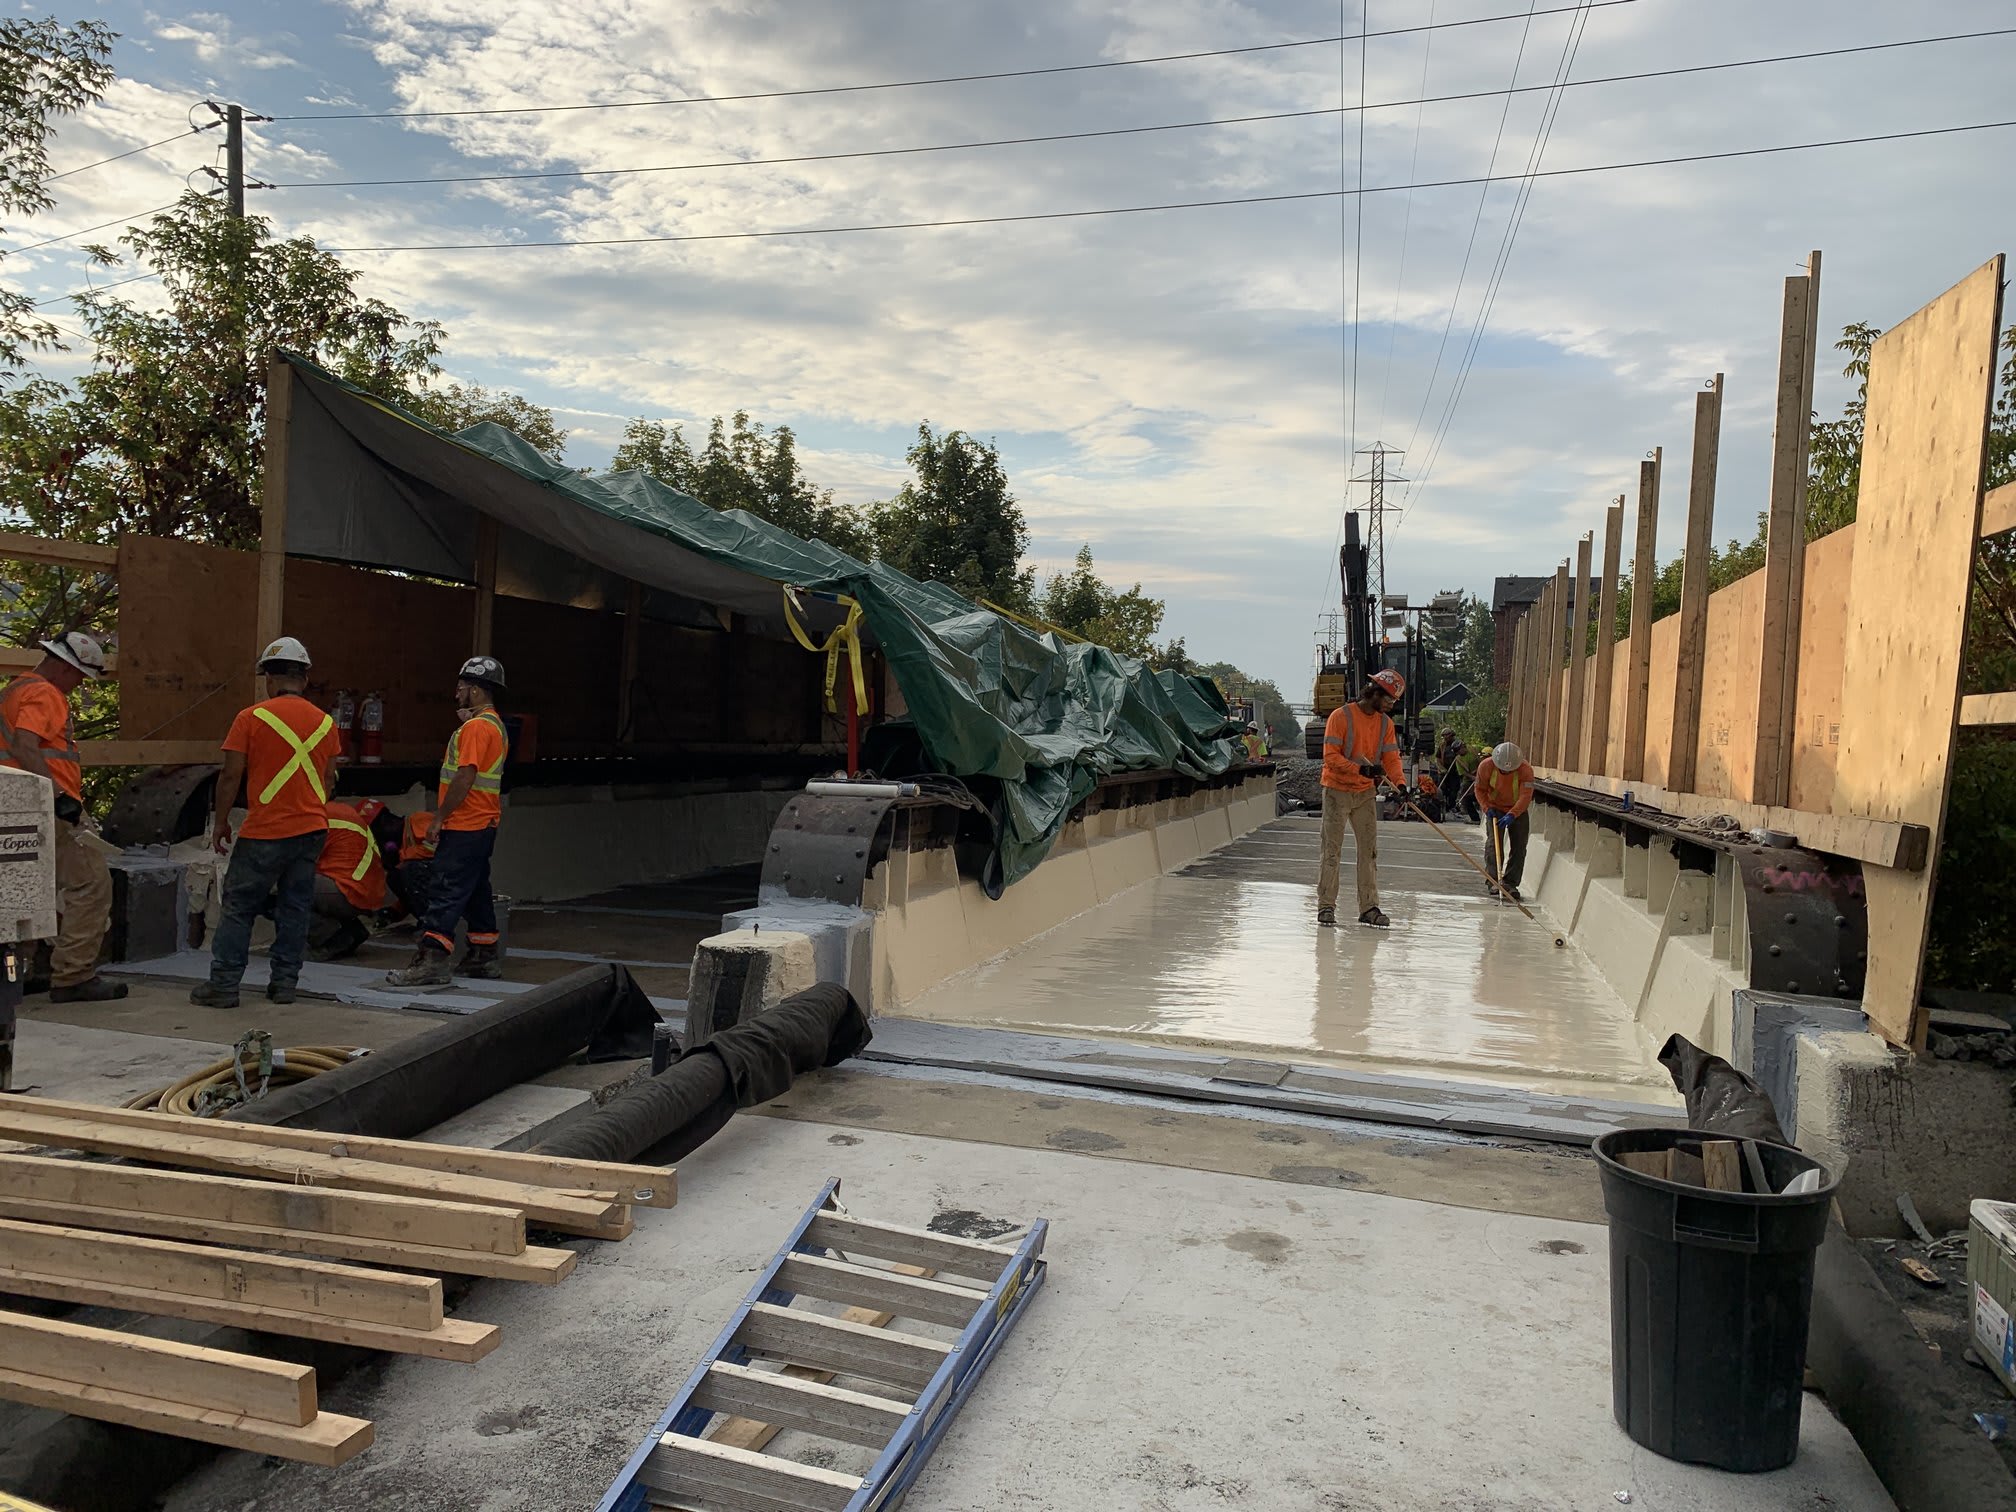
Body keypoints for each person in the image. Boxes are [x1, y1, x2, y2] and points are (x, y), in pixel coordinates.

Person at [193, 638, 341, 1008]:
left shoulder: (251, 718)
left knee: (239, 906)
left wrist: (222, 822)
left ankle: (224, 985)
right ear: (304, 679)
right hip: (310, 831)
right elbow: (329, 778)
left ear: (269, 681)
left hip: (266, 832)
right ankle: (285, 984)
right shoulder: (326, 723)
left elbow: (231, 777)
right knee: (295, 908)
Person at [0, 631, 125, 1003]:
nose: (78, 686)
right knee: (91, 883)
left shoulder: (14, 689)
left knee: (25, 889)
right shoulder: (45, 692)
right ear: (63, 666)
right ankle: (73, 975)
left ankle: (21, 973)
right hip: (47, 806)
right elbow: (26, 743)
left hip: (14, 802)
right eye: (79, 677)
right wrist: (58, 798)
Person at [386, 657, 510, 988]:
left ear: (476, 690)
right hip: (482, 824)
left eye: (461, 688)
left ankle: (432, 961)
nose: (456, 694)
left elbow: (465, 776)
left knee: (445, 888)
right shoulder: (494, 725)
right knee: (475, 890)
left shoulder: (475, 728)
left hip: (465, 824)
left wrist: (440, 817)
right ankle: (484, 956)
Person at [1316, 668, 1407, 928]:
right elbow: (1330, 756)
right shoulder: (1340, 717)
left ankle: (1369, 907)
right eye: (1389, 700)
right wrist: (1359, 768)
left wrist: (1400, 784)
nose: (1391, 705)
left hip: (1365, 793)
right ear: (1375, 692)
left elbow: (1391, 758)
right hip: (1337, 790)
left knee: (1369, 852)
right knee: (1331, 850)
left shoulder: (1385, 724)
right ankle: (1326, 906)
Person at [308, 797, 387, 961]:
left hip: (348, 889)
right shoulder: (340, 812)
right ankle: (352, 930)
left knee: (285, 890)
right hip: (365, 891)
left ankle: (334, 938)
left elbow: (299, 859)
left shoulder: (318, 817)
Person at [1474, 740, 1536, 901]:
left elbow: (1525, 796)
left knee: (1519, 846)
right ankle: (1493, 881)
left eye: (1510, 771)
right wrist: (1487, 808)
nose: (1506, 773)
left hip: (1517, 810)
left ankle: (1510, 882)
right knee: (1493, 844)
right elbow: (1479, 789)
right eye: (1503, 770)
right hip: (1494, 808)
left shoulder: (1526, 770)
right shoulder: (1486, 766)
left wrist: (1513, 814)